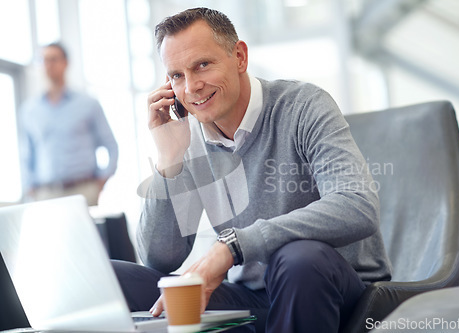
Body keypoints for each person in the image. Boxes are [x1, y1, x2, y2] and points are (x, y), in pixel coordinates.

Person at [114, 7, 391, 332]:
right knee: (114, 280)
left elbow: (358, 203)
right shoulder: (188, 137)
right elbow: (160, 259)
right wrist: (169, 161)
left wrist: (235, 246)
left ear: (240, 57)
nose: (190, 87)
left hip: (335, 289)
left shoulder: (303, 106)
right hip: (252, 297)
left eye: (202, 65)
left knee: (299, 260)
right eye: (176, 75)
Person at [19, 42, 118, 206]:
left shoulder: (88, 104)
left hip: (83, 191)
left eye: (53, 59)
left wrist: (100, 182)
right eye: (43, 60)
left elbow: (111, 145)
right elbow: (26, 154)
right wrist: (28, 186)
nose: (48, 65)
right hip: (45, 195)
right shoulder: (29, 110)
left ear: (65, 63)